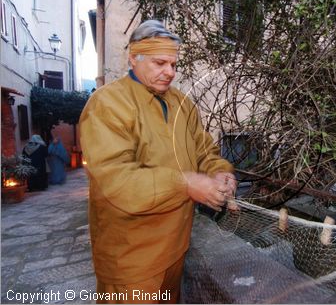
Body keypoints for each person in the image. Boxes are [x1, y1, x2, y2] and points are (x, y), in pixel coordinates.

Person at [79, 20, 237, 304]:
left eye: (174, 65)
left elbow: (203, 150)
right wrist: (185, 183)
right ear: (133, 58)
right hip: (131, 258)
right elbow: (117, 178)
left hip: (176, 248)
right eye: (160, 63)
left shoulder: (182, 104)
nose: (170, 73)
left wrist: (220, 172)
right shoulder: (107, 104)